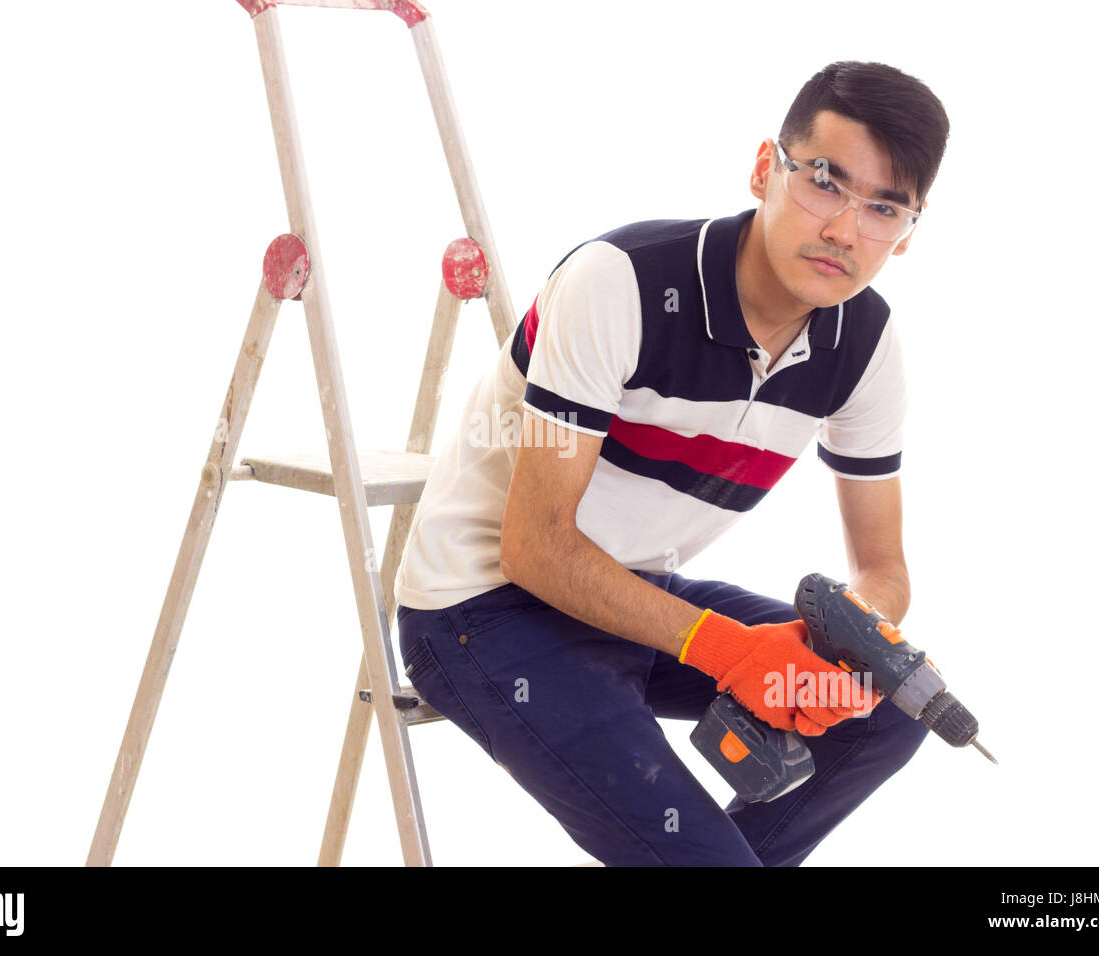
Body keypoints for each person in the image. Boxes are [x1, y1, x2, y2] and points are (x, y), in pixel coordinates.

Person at [393, 60, 950, 866]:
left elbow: (882, 567)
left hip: (634, 602)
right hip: (484, 612)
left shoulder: (864, 348)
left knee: (889, 705)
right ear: (766, 168)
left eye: (883, 209)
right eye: (825, 183)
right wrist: (740, 654)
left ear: (908, 230)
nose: (843, 230)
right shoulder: (617, 284)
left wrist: (850, 642)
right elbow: (535, 547)